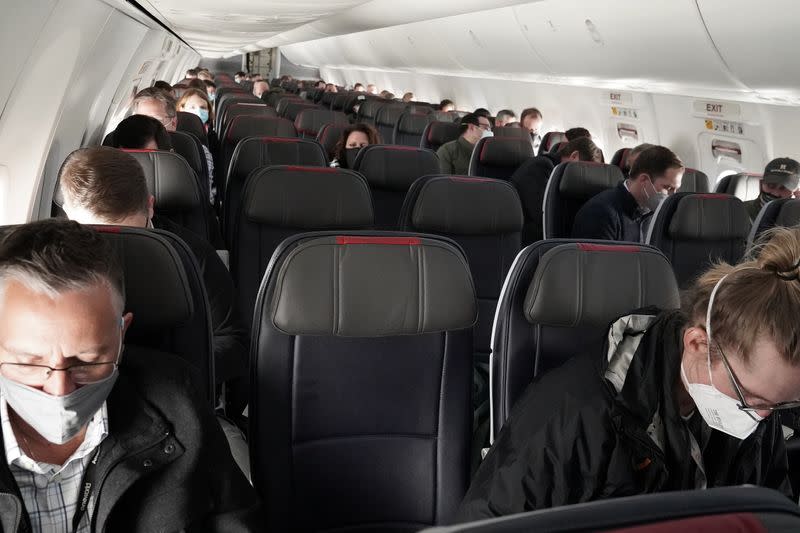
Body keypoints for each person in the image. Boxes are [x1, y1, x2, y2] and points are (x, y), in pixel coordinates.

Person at [456, 225, 800, 520]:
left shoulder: (759, 408)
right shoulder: (573, 413)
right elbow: (491, 519)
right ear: (696, 343)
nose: (761, 417)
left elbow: (769, 514)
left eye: (778, 405)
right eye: (748, 398)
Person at [0, 218, 262, 530]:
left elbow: (233, 519)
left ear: (122, 335)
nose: (59, 390)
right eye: (28, 362)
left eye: (87, 360)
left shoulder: (178, 402)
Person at [58, 147, 250, 416]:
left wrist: (174, 374)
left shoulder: (193, 254)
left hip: (174, 397)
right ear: (68, 214)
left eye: (127, 235)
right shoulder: (51, 260)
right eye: (98, 233)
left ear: (150, 205)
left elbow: (234, 340)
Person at [571, 145, 684, 242]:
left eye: (676, 189)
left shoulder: (659, 216)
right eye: (668, 188)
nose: (672, 196)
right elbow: (598, 265)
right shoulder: (601, 213)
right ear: (644, 180)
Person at [511, 136, 604, 244]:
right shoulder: (540, 166)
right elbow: (543, 215)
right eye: (584, 171)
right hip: (526, 240)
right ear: (574, 156)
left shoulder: (562, 177)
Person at [133, 87, 215, 205]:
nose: (146, 128)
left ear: (173, 123)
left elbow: (205, 201)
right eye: (140, 121)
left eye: (156, 121)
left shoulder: (196, 152)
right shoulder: (122, 153)